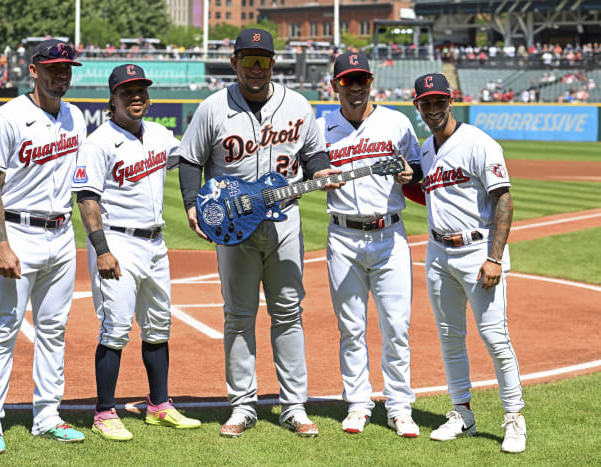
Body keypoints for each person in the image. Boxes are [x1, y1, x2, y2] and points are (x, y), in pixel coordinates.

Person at [175, 28, 343, 438]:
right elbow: (189, 160)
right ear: (234, 63)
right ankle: (242, 405)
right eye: (248, 59)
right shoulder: (213, 108)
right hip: (234, 226)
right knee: (238, 316)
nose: (255, 67)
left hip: (284, 221)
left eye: (262, 60)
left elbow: (313, 153)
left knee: (288, 312)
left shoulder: (298, 105)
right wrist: (193, 205)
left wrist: (321, 170)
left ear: (273, 64)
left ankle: (294, 406)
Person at [72, 64, 201, 441]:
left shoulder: (160, 134)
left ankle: (158, 405)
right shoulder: (99, 142)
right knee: (115, 327)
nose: (136, 96)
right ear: (112, 98)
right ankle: (104, 412)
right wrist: (102, 250)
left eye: (141, 89)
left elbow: (189, 162)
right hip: (118, 243)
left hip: (155, 243)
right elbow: (87, 198)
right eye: (127, 91)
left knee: (159, 325)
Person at [0, 39, 87, 455]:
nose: (63, 74)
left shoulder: (75, 116)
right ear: (34, 69)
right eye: (55, 67)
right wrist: (2, 244)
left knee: (54, 329)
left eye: (68, 67)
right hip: (18, 233)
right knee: (5, 325)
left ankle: (47, 415)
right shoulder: (6, 118)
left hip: (62, 235)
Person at [412, 73, 526, 453]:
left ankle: (514, 418)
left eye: (438, 101)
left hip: (478, 252)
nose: (433, 108)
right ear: (417, 106)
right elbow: (433, 195)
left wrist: (495, 257)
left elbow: (504, 201)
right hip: (438, 252)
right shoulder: (426, 150)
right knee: (450, 337)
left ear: (451, 101)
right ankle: (462, 413)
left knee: (495, 337)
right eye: (425, 103)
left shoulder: (478, 142)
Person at [317, 52, 421, 436]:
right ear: (335, 86)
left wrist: (411, 176)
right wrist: (316, 171)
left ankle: (399, 406)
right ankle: (358, 403)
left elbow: (419, 171)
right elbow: (303, 166)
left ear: (371, 82)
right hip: (343, 236)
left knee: (397, 325)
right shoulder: (321, 125)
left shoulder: (396, 121)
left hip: (390, 234)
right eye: (347, 80)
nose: (355, 87)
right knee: (351, 327)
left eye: (361, 79)